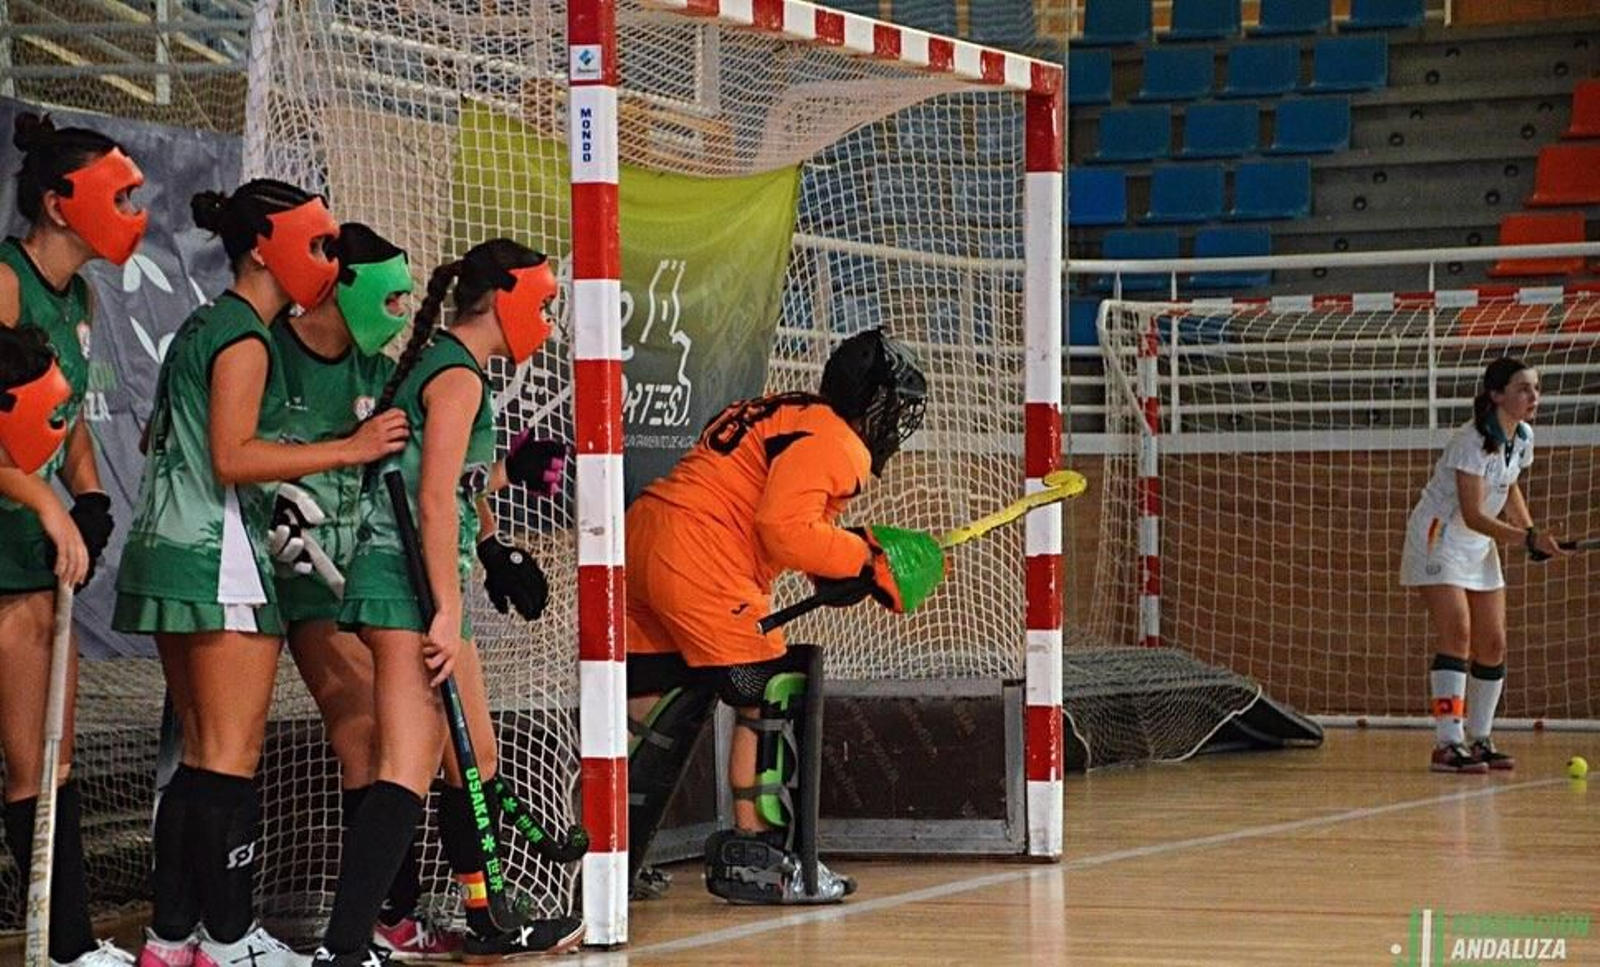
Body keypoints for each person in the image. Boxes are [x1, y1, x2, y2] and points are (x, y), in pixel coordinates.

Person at [114, 180, 408, 967]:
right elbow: (231, 455)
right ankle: (230, 938)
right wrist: (347, 450)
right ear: (261, 247)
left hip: (166, 544)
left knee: (202, 756)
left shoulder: (202, 326)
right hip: (219, 554)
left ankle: (169, 940)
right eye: (316, 246)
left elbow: (155, 442)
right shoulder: (245, 335)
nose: (327, 262)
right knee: (229, 758)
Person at [312, 238, 582, 966]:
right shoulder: (458, 375)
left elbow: (457, 485)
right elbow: (432, 498)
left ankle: (488, 914)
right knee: (406, 761)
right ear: (502, 297)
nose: (549, 318)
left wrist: (497, 520)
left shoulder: (452, 369)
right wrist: (447, 609)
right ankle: (345, 946)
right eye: (545, 302)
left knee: (478, 754)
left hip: (422, 581)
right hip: (408, 586)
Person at [623, 327, 945, 905]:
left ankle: (605, 859)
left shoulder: (786, 410)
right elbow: (784, 530)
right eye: (895, 408)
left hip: (646, 538)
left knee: (649, 702)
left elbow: (771, 522)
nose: (897, 424)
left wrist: (844, 566)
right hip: (700, 554)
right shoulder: (838, 442)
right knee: (767, 689)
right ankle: (760, 860)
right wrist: (869, 558)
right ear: (871, 404)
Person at [259, 222, 465, 959]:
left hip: (365, 572)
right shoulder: (263, 352)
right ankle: (363, 926)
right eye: (396, 293)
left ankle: (392, 913)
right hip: (289, 572)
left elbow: (427, 481)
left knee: (400, 739)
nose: (405, 309)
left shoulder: (384, 371)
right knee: (359, 732)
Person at [0, 111, 147, 967]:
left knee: (49, 753)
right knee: (30, 758)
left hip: (34, 550)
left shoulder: (79, 298)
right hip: (11, 544)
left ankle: (70, 943)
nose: (134, 211)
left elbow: (67, 415)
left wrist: (86, 495)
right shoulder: (7, 284)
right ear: (59, 203)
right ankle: (61, 945)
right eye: (118, 195)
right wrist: (49, 506)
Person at [1400, 356, 1565, 774]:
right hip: (1440, 537)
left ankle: (1480, 738)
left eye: (1536, 389)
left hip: (1478, 544)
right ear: (1496, 395)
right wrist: (1526, 538)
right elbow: (1473, 513)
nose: (1533, 397)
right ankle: (1448, 743)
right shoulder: (1470, 441)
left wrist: (1531, 534)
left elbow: (1509, 490)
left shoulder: (1523, 436)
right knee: (1458, 633)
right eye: (1523, 388)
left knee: (1493, 643)